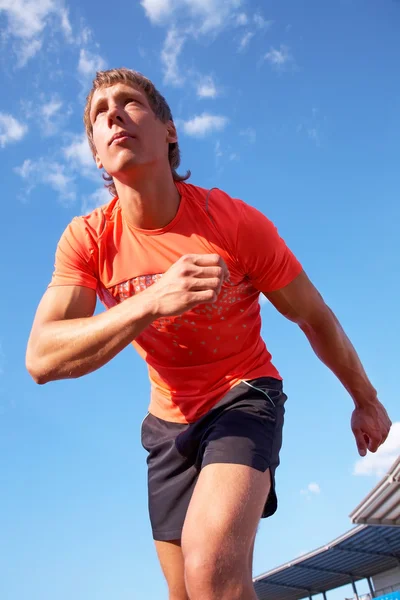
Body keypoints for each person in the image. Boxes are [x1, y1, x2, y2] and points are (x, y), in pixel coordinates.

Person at [26, 68, 392, 600]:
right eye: (98, 115)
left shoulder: (234, 223)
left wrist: (367, 399)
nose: (112, 115)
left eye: (129, 103)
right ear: (97, 156)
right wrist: (152, 301)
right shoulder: (87, 241)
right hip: (167, 425)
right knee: (188, 594)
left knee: (212, 573)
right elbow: (41, 358)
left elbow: (315, 317)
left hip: (242, 395)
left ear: (169, 130)